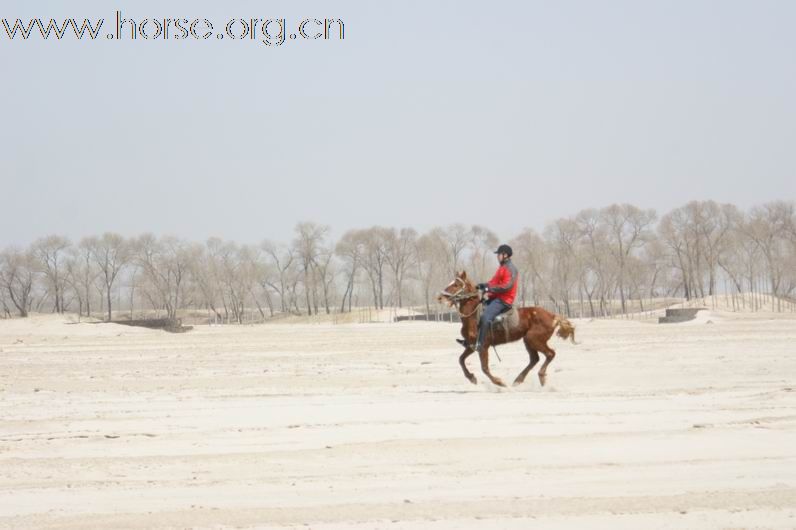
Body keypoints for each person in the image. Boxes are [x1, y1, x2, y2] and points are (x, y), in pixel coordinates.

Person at [473, 244, 518, 353]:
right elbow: (494, 282)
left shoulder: (510, 269)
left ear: (505, 255)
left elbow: (507, 286)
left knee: (485, 317)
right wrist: (484, 285)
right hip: (497, 297)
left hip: (504, 300)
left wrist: (489, 289)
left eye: (499, 254)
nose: (497, 256)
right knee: (477, 310)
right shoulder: (502, 268)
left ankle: (480, 344)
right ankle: (472, 339)